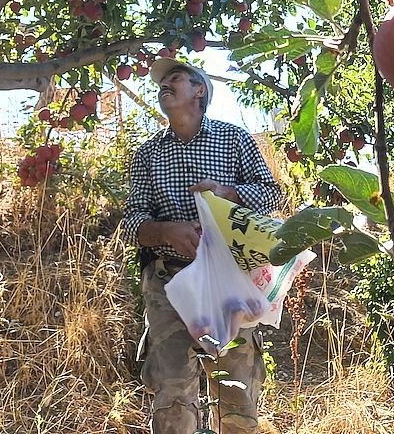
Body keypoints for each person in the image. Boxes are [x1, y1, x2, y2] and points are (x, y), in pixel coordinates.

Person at [120, 57, 282, 434]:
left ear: (199, 91)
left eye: (175, 78)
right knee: (172, 395)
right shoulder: (147, 155)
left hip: (227, 283)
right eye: (161, 82)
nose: (164, 85)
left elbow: (271, 193)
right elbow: (132, 222)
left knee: (236, 394)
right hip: (168, 285)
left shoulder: (233, 139)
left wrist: (227, 193)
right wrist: (164, 231)